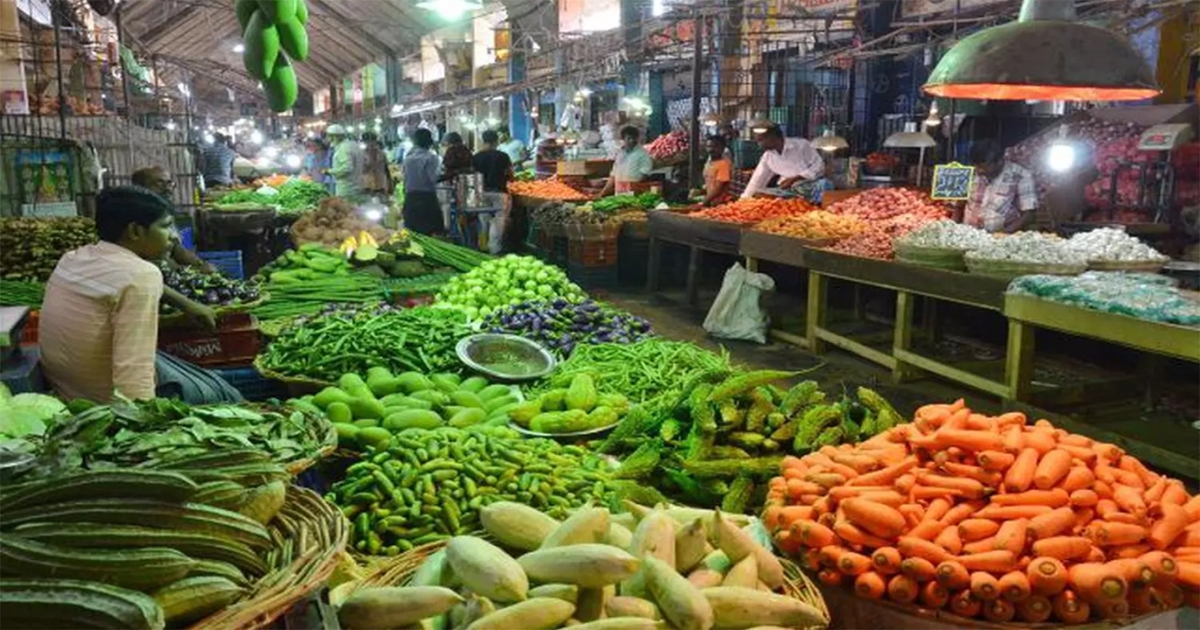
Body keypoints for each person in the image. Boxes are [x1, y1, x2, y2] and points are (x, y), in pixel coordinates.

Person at [39, 186, 240, 404]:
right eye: (165, 227)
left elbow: (126, 283)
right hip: (104, 401)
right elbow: (133, 369)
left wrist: (185, 303)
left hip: (68, 388)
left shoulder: (74, 258)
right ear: (135, 231)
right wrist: (141, 426)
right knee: (225, 393)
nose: (174, 237)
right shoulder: (141, 275)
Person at [129, 166, 216, 276]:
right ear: (140, 188)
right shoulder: (137, 216)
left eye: (169, 183)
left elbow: (176, 248)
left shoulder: (164, 212)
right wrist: (190, 272)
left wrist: (200, 264)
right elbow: (157, 261)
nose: (168, 188)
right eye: (159, 183)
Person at [963, 139, 1038, 233]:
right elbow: (959, 205)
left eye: (984, 167)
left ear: (999, 161)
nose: (979, 171)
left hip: (1001, 239)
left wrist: (1004, 234)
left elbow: (1029, 213)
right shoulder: (971, 173)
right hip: (968, 236)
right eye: (976, 166)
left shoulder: (1020, 176)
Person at [742, 124, 824, 198]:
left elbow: (820, 167)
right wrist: (744, 200)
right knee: (761, 194)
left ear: (773, 137)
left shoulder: (801, 145)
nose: (759, 144)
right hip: (786, 192)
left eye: (761, 140)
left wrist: (795, 178)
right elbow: (757, 180)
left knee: (824, 184)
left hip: (810, 187)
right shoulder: (768, 157)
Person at [403, 128, 444, 235]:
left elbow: (405, 179)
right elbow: (433, 178)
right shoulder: (431, 158)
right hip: (426, 199)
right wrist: (449, 175)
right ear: (430, 141)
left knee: (413, 232)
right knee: (429, 231)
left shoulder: (408, 159)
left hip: (410, 198)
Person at [601, 126, 653, 196]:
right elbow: (613, 175)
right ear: (623, 139)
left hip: (634, 192)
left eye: (633, 138)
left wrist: (632, 186)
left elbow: (645, 173)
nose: (631, 141)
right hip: (619, 192)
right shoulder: (620, 154)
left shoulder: (643, 154)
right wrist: (602, 193)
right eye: (628, 138)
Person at [326, 124, 365, 201]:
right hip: (357, 185)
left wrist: (329, 171)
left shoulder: (343, 148)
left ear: (334, 137)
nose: (328, 140)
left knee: (346, 210)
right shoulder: (353, 145)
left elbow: (347, 168)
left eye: (329, 137)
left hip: (346, 188)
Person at [702, 135, 734, 206]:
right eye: (709, 146)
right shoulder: (708, 164)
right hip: (711, 202)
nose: (711, 149)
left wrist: (704, 202)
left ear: (722, 148)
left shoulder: (723, 165)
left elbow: (718, 188)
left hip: (721, 203)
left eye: (715, 146)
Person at [361, 132, 392, 196]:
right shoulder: (362, 154)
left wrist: (390, 183)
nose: (370, 143)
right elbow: (361, 170)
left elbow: (386, 169)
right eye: (367, 141)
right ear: (364, 142)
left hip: (381, 184)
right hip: (367, 185)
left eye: (372, 140)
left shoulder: (381, 153)